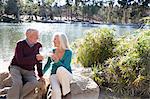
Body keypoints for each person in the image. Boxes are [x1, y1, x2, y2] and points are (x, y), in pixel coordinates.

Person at [7, 29, 44, 99]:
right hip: (16, 67)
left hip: (29, 70)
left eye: (38, 36)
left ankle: (19, 97)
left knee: (34, 83)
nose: (38, 38)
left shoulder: (39, 45)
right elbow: (20, 61)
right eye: (36, 36)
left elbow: (39, 61)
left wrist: (40, 75)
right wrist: (35, 57)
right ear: (28, 36)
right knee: (18, 83)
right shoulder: (20, 44)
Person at [43, 32, 73, 99]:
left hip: (66, 76)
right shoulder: (52, 51)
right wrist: (40, 74)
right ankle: (63, 92)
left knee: (60, 69)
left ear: (61, 41)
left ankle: (66, 92)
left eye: (55, 39)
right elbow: (47, 65)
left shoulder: (69, 52)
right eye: (53, 39)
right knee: (56, 92)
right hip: (54, 75)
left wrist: (57, 61)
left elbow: (66, 67)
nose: (53, 41)